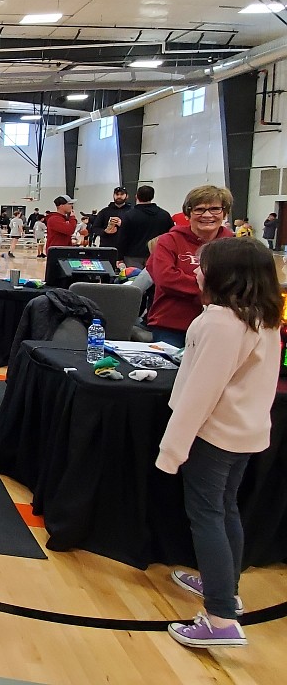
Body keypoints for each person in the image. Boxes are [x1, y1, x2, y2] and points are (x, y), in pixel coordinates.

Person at [157, 238, 280, 650]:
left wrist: (172, 450)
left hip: (213, 437)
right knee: (225, 509)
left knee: (208, 515)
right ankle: (223, 584)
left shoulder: (221, 323)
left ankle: (220, 617)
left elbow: (200, 393)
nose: (196, 271)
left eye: (203, 267)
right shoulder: (263, 317)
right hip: (244, 433)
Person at [147, 185, 234, 348]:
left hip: (220, 326)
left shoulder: (235, 245)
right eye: (199, 209)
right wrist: (215, 290)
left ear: (224, 213)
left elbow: (240, 282)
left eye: (215, 209)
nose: (207, 215)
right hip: (172, 327)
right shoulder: (169, 241)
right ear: (188, 214)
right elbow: (165, 279)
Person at [118, 185, 174, 269]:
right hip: (157, 254)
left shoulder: (129, 215)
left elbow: (123, 238)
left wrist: (119, 257)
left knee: (134, 280)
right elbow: (171, 235)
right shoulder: (164, 215)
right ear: (152, 197)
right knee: (155, 280)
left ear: (136, 196)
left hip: (133, 256)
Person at [89, 187, 133, 258]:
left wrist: (123, 225)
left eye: (122, 194)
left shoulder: (132, 212)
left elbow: (137, 229)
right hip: (107, 248)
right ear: (113, 195)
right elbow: (95, 228)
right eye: (117, 194)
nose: (119, 196)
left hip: (127, 250)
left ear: (127, 196)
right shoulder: (104, 212)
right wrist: (105, 231)